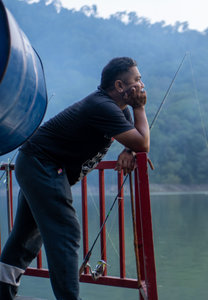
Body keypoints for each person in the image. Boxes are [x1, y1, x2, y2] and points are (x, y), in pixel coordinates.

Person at [0, 57, 150, 300]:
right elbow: (144, 141)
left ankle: (3, 292)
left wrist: (129, 150)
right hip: (42, 164)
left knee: (26, 235)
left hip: (35, 163)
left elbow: (136, 142)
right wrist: (140, 108)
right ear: (120, 86)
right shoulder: (103, 106)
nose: (143, 85)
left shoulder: (118, 109)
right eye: (138, 80)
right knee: (66, 231)